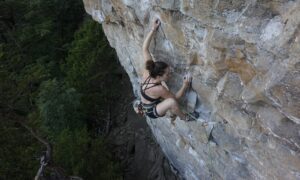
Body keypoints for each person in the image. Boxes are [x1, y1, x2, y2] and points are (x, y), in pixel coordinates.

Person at [139, 18, 191, 121]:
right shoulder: (159, 89)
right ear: (158, 76)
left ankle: (169, 109)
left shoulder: (149, 70)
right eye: (167, 74)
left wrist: (153, 29)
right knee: (171, 103)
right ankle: (184, 118)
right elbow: (174, 99)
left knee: (166, 95)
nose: (170, 75)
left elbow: (144, 48)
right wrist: (185, 85)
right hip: (151, 110)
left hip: (149, 99)